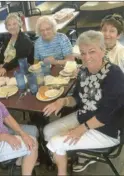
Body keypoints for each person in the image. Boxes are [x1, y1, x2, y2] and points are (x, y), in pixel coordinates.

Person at [43, 30, 124, 175]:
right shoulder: (83, 71)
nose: (86, 57)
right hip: (84, 117)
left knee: (55, 142)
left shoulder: (114, 74)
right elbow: (77, 98)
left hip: (107, 130)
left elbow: (105, 115)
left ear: (102, 50)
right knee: (47, 131)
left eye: (92, 51)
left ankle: (62, 170)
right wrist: (63, 101)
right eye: (83, 52)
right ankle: (64, 155)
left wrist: (80, 130)